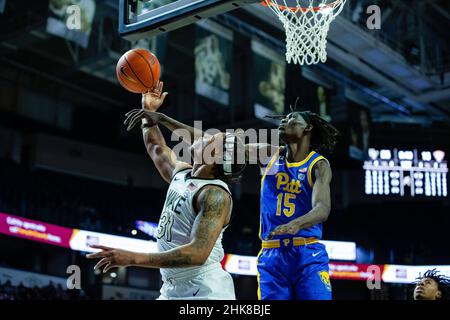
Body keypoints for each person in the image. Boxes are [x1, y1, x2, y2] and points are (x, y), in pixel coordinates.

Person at [132, 98, 339, 300]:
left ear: (308, 129)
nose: (284, 121)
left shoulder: (317, 165)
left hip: (306, 250)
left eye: (293, 119)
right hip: (271, 253)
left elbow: (322, 208)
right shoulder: (270, 155)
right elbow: (216, 145)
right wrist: (164, 119)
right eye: (284, 118)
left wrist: (297, 223)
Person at [86, 81, 245, 300]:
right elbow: (157, 148)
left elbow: (198, 253)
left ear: (216, 157)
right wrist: (149, 113)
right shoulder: (182, 173)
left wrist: (133, 258)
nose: (201, 137)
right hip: (171, 287)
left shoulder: (215, 195)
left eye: (210, 139)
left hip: (205, 289)